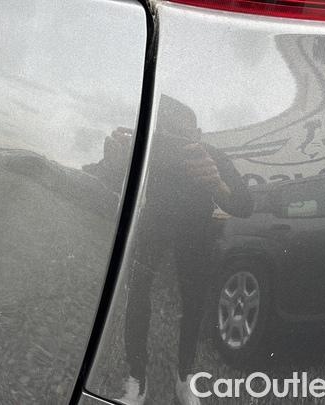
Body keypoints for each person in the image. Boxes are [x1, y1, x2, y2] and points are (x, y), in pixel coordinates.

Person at [119, 96, 253, 405]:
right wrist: (117, 155)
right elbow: (114, 178)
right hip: (153, 226)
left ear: (198, 135)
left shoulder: (213, 157)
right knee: (137, 294)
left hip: (197, 233)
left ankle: (185, 376)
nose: (176, 143)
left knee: (194, 302)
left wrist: (217, 182)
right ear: (159, 132)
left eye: (184, 136)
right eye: (167, 134)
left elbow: (245, 205)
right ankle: (137, 376)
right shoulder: (151, 148)